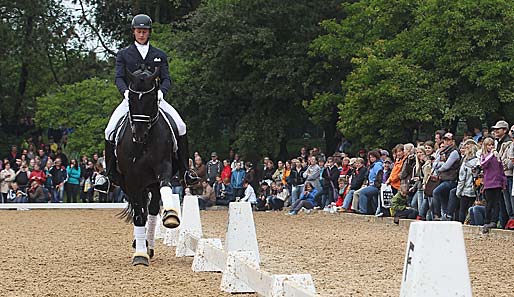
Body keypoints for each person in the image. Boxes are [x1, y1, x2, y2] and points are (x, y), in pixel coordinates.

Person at [104, 14, 190, 186]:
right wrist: (126, 93)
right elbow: (119, 78)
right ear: (134, 32)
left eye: (144, 31)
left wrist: (161, 93)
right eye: (138, 31)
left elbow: (166, 79)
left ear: (149, 32)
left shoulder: (159, 55)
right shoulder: (124, 54)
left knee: (181, 126)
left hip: (154, 100)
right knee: (109, 130)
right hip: (131, 100)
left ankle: (185, 171)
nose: (141, 34)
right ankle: (109, 175)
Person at [480, 137, 506, 233]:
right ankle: (487, 221)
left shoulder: (497, 156)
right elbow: (483, 164)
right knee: (489, 203)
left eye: (492, 145)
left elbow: (501, 169)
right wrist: (491, 155)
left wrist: (503, 181)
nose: (491, 147)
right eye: (489, 145)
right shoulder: (484, 156)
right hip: (489, 183)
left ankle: (494, 221)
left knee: (496, 203)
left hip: (497, 182)